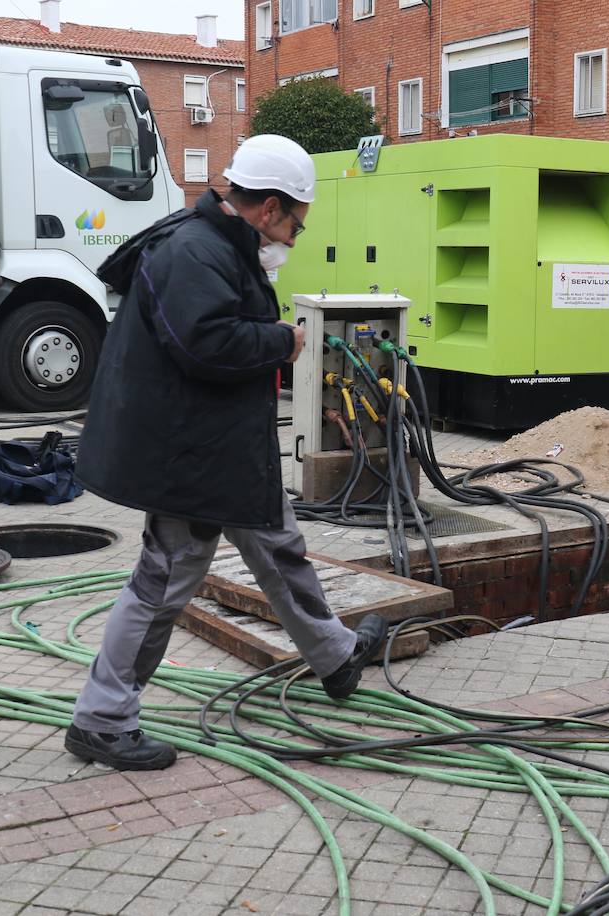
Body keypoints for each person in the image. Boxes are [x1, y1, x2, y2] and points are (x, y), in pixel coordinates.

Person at [64, 135, 388, 771]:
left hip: (218, 446)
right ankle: (101, 721)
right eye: (295, 224)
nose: (294, 239)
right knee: (163, 582)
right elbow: (205, 343)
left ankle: (335, 655)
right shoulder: (193, 251)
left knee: (276, 542)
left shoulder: (214, 243)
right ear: (269, 208)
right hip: (188, 456)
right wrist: (280, 341)